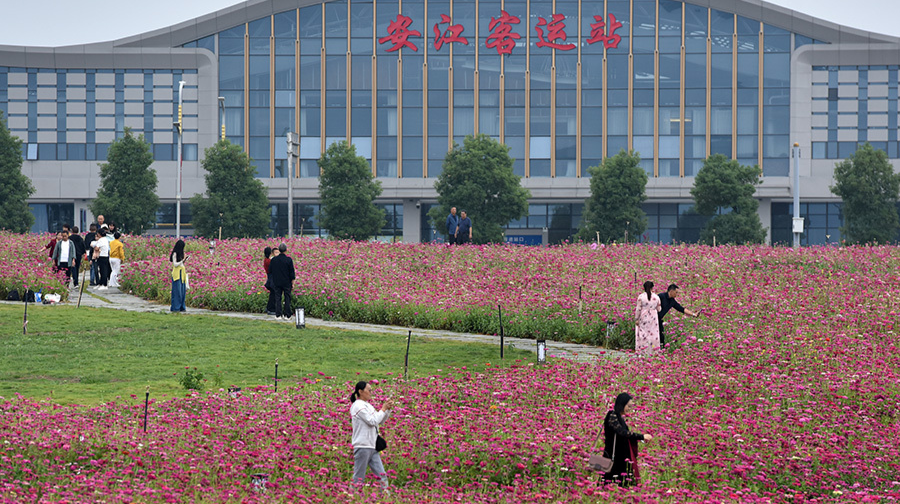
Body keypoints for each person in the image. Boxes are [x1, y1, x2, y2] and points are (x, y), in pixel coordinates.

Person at [349, 381, 393, 493]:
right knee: (359, 477)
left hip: (372, 446)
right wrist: (382, 409)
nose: (371, 393)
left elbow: (380, 421)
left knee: (381, 475)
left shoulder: (368, 405)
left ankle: (386, 498)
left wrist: (387, 409)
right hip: (363, 445)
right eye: (369, 390)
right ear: (360, 391)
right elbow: (372, 421)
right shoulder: (358, 406)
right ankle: (351, 497)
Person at [600, 392, 652, 487]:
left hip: (621, 457)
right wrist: (641, 436)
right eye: (628, 406)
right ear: (622, 404)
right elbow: (622, 432)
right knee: (611, 483)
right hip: (613, 457)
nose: (629, 409)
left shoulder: (619, 417)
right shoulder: (612, 415)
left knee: (623, 483)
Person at [268, 243, 295, 320]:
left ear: (279, 250)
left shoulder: (274, 260)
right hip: (287, 282)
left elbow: (270, 271)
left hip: (277, 281)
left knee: (278, 298)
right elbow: (292, 273)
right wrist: (292, 283)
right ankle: (287, 315)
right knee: (287, 298)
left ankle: (278, 315)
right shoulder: (289, 260)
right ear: (286, 250)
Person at [634, 281, 661, 353]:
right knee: (653, 334)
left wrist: (636, 318)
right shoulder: (656, 297)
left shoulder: (641, 297)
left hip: (644, 316)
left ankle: (643, 351)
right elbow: (659, 309)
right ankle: (654, 351)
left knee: (643, 334)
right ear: (652, 287)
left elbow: (638, 309)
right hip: (653, 317)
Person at [170, 239, 187, 312]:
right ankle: (175, 308)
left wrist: (185, 259)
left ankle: (181, 307)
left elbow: (181, 264)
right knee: (177, 292)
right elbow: (175, 264)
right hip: (177, 274)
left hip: (182, 273)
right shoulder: (175, 254)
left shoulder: (181, 254)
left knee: (182, 291)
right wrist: (182, 260)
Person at [263, 246, 276, 315]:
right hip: (272, 278)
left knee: (272, 294)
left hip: (269, 278)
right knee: (273, 295)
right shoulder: (269, 261)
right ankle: (271, 309)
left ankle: (269, 308)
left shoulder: (266, 260)